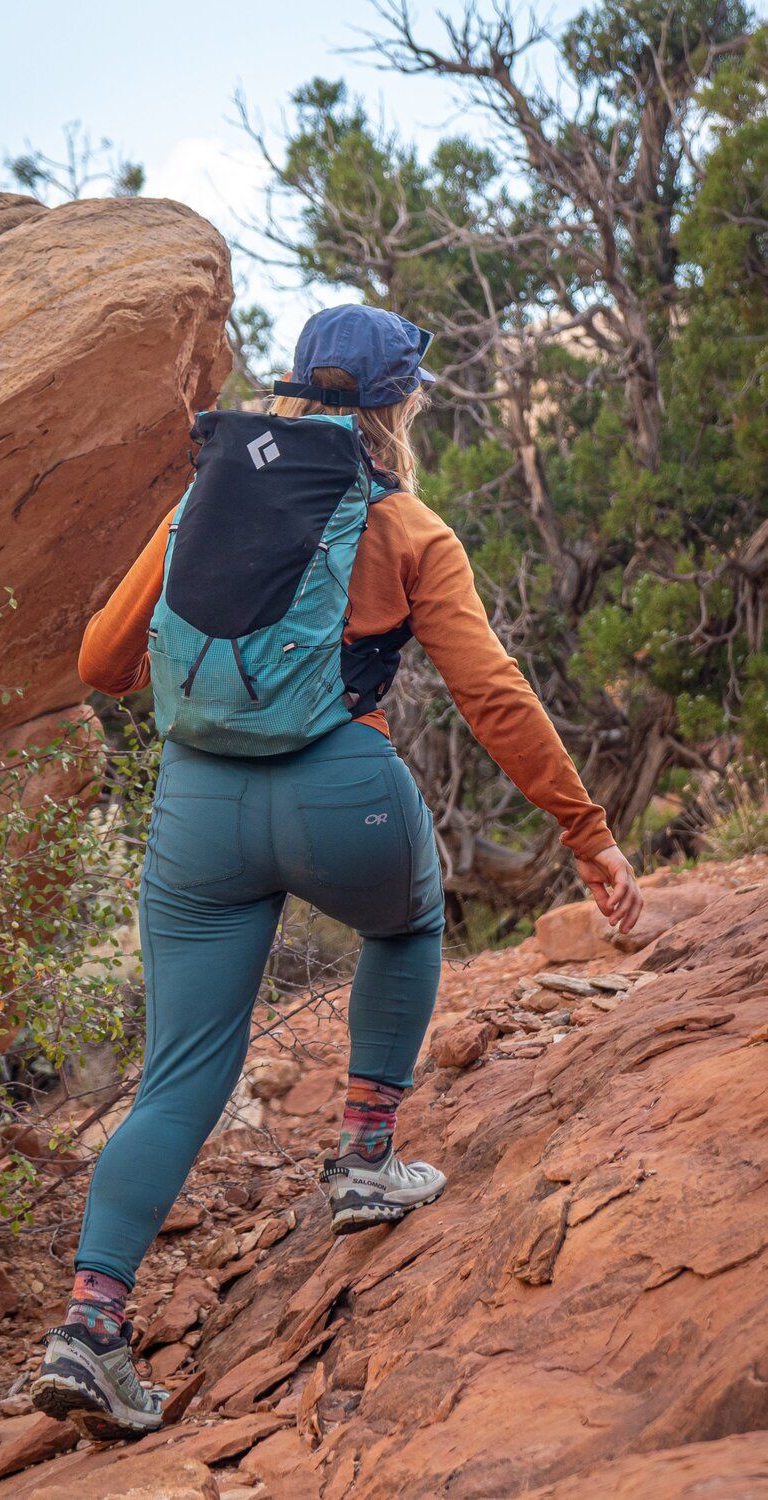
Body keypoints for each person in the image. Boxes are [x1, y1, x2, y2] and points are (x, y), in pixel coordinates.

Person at [32, 304, 642, 1439]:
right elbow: (492, 696)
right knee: (405, 929)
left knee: (177, 1080)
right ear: (395, 404)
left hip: (195, 813)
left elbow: (100, 663)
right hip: (339, 798)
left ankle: (89, 1327)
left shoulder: (199, 504)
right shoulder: (406, 526)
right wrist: (585, 835)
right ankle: (364, 1156)